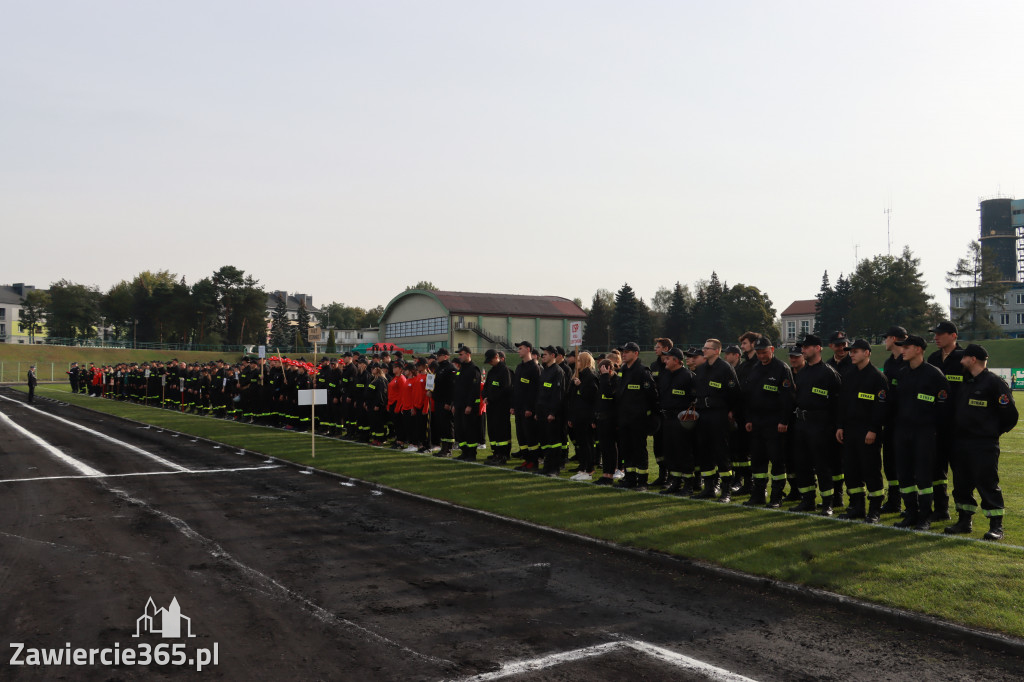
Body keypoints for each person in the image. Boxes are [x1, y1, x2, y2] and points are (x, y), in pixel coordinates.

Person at [944, 344, 1018, 540]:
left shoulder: (994, 383)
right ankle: (964, 521)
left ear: (973, 359)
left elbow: (1010, 415)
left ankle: (996, 526)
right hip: (961, 443)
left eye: (964, 358)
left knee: (987, 483)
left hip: (983, 444)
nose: (961, 361)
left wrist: (992, 432)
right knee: (961, 484)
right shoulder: (967, 383)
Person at [890, 334, 950, 530]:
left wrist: (934, 431)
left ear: (918, 349)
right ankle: (911, 514)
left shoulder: (934, 374)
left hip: (924, 433)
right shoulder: (901, 373)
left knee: (924, 477)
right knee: (905, 476)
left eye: (906, 347)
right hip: (902, 432)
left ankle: (925, 516)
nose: (902, 350)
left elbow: (943, 407)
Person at [835, 339, 888, 522]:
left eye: (855, 351)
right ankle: (857, 507)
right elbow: (842, 403)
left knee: (871, 470)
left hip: (868, 432)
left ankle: (874, 510)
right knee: (851, 470)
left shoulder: (877, 377)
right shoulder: (849, 374)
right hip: (850, 430)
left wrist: (873, 429)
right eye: (851, 351)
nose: (851, 354)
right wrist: (840, 426)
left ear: (867, 353)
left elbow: (880, 407)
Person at [789, 334, 842, 515]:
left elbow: (837, 403)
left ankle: (827, 503)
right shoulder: (802, 373)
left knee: (822, 464)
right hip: (802, 424)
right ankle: (808, 500)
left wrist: (834, 427)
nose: (803, 350)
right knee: (802, 464)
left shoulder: (828, 373)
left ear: (818, 348)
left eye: (807, 347)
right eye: (802, 347)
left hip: (821, 425)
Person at [741, 337, 795, 507]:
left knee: (777, 460)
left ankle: (777, 497)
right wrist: (749, 419)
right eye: (758, 352)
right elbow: (749, 395)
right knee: (758, 459)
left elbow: (788, 398)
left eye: (764, 352)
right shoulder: (755, 368)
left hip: (774, 422)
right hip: (757, 422)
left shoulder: (781, 368)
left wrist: (784, 421)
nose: (761, 355)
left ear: (772, 349)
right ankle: (758, 495)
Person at [691, 339, 741, 501]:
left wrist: (731, 411)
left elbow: (735, 393)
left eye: (707, 348)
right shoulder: (702, 369)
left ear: (716, 351)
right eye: (703, 347)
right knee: (704, 452)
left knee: (721, 452)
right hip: (703, 414)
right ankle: (709, 488)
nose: (703, 350)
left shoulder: (725, 369)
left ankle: (726, 490)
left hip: (719, 414)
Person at [926, 320, 965, 522]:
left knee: (960, 472)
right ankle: (941, 509)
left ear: (953, 336)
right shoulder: (933, 358)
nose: (936, 337)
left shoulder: (964, 358)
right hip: (936, 425)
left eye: (940, 334)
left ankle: (964, 516)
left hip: (958, 427)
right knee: (936, 469)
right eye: (935, 334)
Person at [614, 341, 659, 490]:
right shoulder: (623, 370)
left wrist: (649, 415)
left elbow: (652, 395)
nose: (624, 354)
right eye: (623, 351)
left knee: (639, 450)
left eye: (627, 351)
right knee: (626, 449)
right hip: (624, 418)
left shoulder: (642, 371)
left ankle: (642, 481)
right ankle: (630, 478)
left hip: (638, 419)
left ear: (636, 353)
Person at [657, 347, 697, 495]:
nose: (665, 361)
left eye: (668, 358)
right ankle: (675, 482)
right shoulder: (665, 374)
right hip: (667, 419)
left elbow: (694, 398)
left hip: (681, 420)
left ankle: (688, 485)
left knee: (684, 452)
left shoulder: (688, 376)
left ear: (676, 360)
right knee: (670, 451)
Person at [880, 326, 908, 514]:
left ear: (895, 339)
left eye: (886, 338)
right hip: (890, 420)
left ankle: (911, 504)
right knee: (889, 462)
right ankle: (894, 501)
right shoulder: (889, 363)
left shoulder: (908, 361)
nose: (884, 342)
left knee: (906, 463)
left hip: (906, 421)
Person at [568, 351, 600, 481]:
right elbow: (572, 397)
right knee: (581, 444)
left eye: (580, 360)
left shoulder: (591, 376)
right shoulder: (578, 375)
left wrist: (580, 386)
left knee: (587, 444)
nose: (577, 363)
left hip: (586, 416)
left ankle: (589, 470)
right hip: (578, 415)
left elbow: (592, 397)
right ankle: (583, 468)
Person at [535, 345, 567, 476]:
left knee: (554, 443)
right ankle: (547, 467)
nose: (543, 356)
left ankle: (554, 468)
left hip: (551, 414)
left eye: (545, 354)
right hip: (542, 412)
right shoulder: (545, 371)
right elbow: (540, 393)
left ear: (553, 356)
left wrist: (553, 412)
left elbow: (558, 395)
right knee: (545, 442)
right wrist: (537, 411)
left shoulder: (558, 372)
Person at [512, 341, 541, 471]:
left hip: (527, 409)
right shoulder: (519, 367)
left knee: (531, 435)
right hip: (518, 408)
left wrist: (530, 408)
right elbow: (516, 388)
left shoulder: (534, 367)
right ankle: (526, 459)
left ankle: (534, 461)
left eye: (520, 348)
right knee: (521, 435)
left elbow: (535, 390)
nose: (518, 351)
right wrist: (513, 405)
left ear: (528, 349)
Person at [483, 348, 514, 464]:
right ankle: (496, 452)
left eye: (491, 360)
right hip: (491, 406)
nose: (490, 363)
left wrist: (491, 397)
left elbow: (506, 389)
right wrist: (485, 396)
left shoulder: (504, 371)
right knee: (493, 430)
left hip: (501, 406)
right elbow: (486, 386)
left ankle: (503, 454)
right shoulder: (492, 371)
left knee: (502, 430)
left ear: (496, 357)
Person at [453, 347, 483, 461]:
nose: (459, 356)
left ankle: (471, 453)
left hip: (468, 406)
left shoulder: (473, 369)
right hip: (459, 405)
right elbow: (457, 389)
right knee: (460, 430)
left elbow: (474, 389)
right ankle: (464, 452)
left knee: (469, 430)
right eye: (459, 355)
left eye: (461, 354)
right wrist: (454, 404)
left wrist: (470, 405)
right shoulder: (461, 369)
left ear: (468, 354)